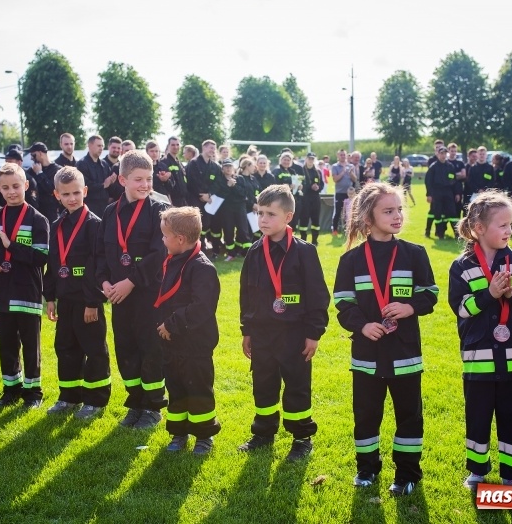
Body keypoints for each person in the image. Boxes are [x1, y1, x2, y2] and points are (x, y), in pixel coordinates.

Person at [334, 182, 438, 495]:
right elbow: (342, 302)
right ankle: (366, 469)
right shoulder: (350, 261)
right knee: (366, 415)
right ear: (368, 218)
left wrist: (409, 307)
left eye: (399, 210)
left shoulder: (414, 254)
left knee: (409, 416)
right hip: (366, 356)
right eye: (388, 211)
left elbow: (430, 294)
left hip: (405, 354)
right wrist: (362, 326)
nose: (397, 216)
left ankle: (407, 474)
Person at [448, 190, 512, 490]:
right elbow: (461, 307)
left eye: (511, 224)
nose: (508, 230)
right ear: (479, 228)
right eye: (502, 225)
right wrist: (490, 295)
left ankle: (511, 474)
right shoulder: (462, 265)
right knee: (478, 417)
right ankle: (477, 471)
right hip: (479, 359)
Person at [238, 184, 330, 461]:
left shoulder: (304, 252)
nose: (263, 219)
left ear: (288, 217)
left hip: (295, 334)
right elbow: (247, 295)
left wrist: (313, 333)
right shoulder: (255, 251)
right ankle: (263, 432)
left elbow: (317, 295)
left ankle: (301, 437)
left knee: (296, 385)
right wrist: (247, 330)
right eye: (259, 213)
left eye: (270, 214)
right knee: (263, 383)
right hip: (263, 333)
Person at [94, 150, 169, 429]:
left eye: (149, 179)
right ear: (122, 179)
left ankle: (153, 405)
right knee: (126, 347)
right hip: (117, 294)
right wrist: (104, 283)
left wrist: (131, 282)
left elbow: (158, 253)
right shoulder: (109, 212)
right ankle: (135, 402)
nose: (145, 185)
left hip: (148, 293)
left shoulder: (158, 210)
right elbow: (100, 253)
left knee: (150, 347)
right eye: (138, 179)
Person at [0, 163, 50, 408]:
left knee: (31, 345)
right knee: (6, 344)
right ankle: (11, 390)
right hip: (0, 292)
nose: (11, 192)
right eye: (5, 187)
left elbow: (41, 257)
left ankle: (33, 393)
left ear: (26, 186)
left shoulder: (38, 219)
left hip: (27, 292)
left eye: (16, 186)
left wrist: (10, 246)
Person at [44, 167, 111, 419]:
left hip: (87, 302)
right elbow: (52, 263)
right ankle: (68, 397)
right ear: (56, 195)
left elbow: (99, 265)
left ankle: (95, 400)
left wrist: (93, 301)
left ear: (84, 191)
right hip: (65, 300)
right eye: (65, 194)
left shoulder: (94, 225)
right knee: (65, 347)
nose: (72, 198)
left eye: (76, 193)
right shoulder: (56, 225)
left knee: (93, 349)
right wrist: (50, 297)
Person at [154, 206, 221, 454]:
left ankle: (204, 436)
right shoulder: (172, 261)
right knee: (177, 388)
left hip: (195, 345)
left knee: (199, 389)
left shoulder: (202, 268)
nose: (162, 239)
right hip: (172, 344)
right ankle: (178, 432)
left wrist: (171, 324)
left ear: (180, 239)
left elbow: (201, 308)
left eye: (165, 235)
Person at [212, 158, 251, 261]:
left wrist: (234, 186)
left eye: (230, 166)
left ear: (233, 168)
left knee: (243, 230)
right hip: (226, 209)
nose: (228, 168)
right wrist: (228, 186)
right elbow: (218, 195)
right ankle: (231, 253)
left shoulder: (240, 178)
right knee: (228, 231)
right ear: (222, 169)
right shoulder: (219, 180)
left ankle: (248, 253)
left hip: (240, 207)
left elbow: (243, 194)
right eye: (226, 166)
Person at [186, 140, 221, 251]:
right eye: (210, 148)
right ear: (204, 148)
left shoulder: (215, 166)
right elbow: (192, 181)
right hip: (195, 198)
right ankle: (195, 247)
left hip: (208, 199)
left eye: (214, 148)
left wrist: (209, 194)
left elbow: (217, 183)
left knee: (206, 223)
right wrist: (201, 194)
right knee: (196, 223)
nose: (212, 150)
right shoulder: (194, 163)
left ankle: (203, 246)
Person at [77, 135, 115, 219]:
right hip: (89, 207)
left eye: (102, 146)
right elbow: (84, 184)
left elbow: (110, 184)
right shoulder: (81, 164)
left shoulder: (104, 164)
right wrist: (103, 185)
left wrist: (112, 181)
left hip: (104, 207)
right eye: (98, 145)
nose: (101, 148)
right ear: (90, 145)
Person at [425, 146, 459, 239]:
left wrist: (457, 193)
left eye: (445, 153)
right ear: (437, 154)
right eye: (441, 153)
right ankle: (440, 234)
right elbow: (428, 181)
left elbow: (454, 180)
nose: (443, 155)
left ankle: (457, 234)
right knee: (438, 213)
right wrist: (429, 194)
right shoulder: (433, 167)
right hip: (437, 192)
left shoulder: (450, 166)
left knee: (452, 212)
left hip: (448, 192)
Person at [27, 142, 62, 224]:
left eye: (33, 155)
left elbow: (51, 189)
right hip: (35, 211)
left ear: (40, 153)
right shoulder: (32, 171)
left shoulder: (56, 170)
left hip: (51, 212)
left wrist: (40, 173)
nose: (32, 158)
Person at [272, 152, 305, 231]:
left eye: (288, 160)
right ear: (280, 160)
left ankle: (291, 239)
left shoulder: (292, 171)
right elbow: (274, 185)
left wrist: (299, 186)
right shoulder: (277, 171)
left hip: (294, 199)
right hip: (282, 200)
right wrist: (287, 187)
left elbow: (297, 182)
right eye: (284, 160)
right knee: (284, 222)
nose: (286, 162)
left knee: (293, 222)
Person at [299, 152, 324, 245]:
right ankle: (303, 240)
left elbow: (322, 184)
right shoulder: (301, 170)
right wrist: (310, 187)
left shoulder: (317, 171)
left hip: (315, 198)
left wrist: (318, 187)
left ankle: (314, 240)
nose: (311, 160)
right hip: (305, 198)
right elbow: (300, 184)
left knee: (315, 219)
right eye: (309, 158)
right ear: (306, 159)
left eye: (312, 159)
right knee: (304, 219)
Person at [332, 150, 357, 236]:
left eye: (344, 155)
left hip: (349, 193)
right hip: (339, 192)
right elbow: (335, 179)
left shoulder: (351, 166)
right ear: (338, 156)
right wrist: (343, 171)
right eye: (341, 155)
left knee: (350, 212)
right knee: (338, 211)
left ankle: (350, 229)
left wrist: (350, 173)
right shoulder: (335, 166)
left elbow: (355, 179)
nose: (343, 156)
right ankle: (335, 229)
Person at [163, 136, 188, 207]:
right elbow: (165, 185)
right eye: (173, 145)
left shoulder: (179, 162)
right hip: (173, 202)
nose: (176, 147)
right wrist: (170, 203)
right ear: (168, 146)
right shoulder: (165, 162)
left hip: (183, 200)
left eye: (177, 144)